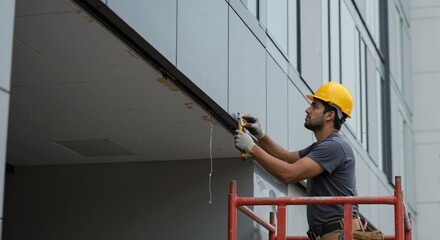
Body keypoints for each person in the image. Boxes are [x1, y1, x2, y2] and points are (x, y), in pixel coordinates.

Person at [234, 82, 363, 240]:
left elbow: (289, 174)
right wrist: (260, 135)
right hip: (334, 233)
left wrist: (251, 147)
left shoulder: (334, 146)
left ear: (330, 115)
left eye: (315, 106)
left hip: (339, 234)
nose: (307, 110)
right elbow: (287, 158)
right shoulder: (324, 146)